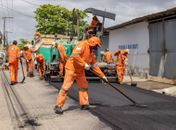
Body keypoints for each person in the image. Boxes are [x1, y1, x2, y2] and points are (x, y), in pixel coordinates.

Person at [54, 36, 108, 114]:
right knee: (66, 87)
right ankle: (58, 106)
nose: (96, 47)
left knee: (83, 86)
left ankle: (84, 104)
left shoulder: (91, 52)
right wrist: (84, 64)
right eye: (96, 45)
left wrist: (102, 76)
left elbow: (94, 65)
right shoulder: (82, 44)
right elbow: (75, 55)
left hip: (80, 71)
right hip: (71, 69)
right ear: (92, 43)